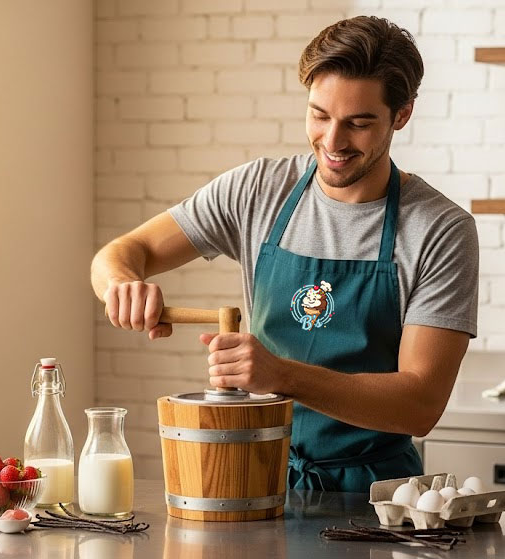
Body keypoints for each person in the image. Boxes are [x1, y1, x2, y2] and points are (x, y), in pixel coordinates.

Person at [91, 16, 478, 493]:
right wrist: (121, 285)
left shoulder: (440, 229)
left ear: (402, 115)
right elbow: (124, 252)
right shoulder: (257, 190)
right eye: (319, 115)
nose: (333, 142)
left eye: (358, 123)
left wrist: (280, 375)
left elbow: (420, 404)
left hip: (378, 497)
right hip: (255, 474)